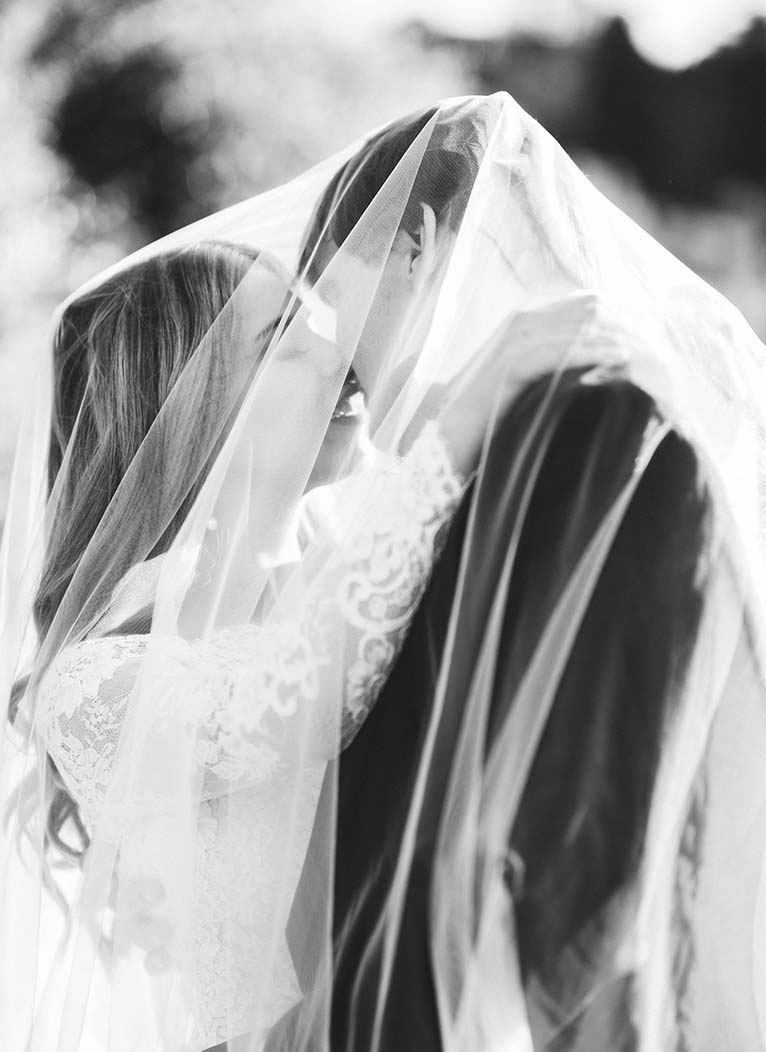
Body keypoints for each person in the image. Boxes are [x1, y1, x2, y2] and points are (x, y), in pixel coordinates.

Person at [1, 93, 766, 1052]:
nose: (337, 354)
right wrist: (464, 418)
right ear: (187, 414)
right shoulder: (91, 685)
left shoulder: (352, 560)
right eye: (284, 334)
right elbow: (301, 699)